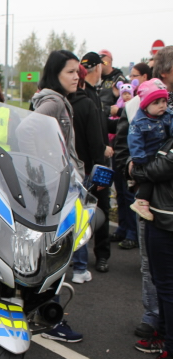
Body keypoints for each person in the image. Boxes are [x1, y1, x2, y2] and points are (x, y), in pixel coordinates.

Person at [32, 50, 84, 343]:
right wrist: (52, 167)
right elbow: (27, 130)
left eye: (77, 71)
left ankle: (46, 314)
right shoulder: (53, 102)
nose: (76, 76)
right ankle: (50, 319)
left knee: (52, 256)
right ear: (56, 74)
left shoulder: (53, 99)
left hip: (56, 189)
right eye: (70, 72)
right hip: (57, 191)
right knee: (58, 257)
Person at [115, 62, 158, 339]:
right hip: (149, 196)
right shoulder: (132, 108)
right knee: (149, 263)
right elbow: (121, 151)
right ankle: (153, 317)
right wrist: (137, 169)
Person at [129, 134, 173, 359]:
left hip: (168, 221)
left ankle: (171, 353)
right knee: (160, 282)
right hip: (160, 216)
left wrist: (136, 170)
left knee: (167, 287)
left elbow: (160, 169)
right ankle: (164, 337)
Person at [68, 65, 107, 284]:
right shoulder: (87, 105)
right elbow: (96, 142)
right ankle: (81, 268)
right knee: (81, 218)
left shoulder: (61, 105)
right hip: (84, 171)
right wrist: (99, 168)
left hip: (61, 170)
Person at [79, 52, 114, 268]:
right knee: (99, 208)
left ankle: (98, 255)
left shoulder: (92, 94)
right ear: (98, 68)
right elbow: (92, 135)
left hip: (90, 162)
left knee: (91, 209)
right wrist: (102, 151)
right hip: (93, 164)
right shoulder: (87, 97)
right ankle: (100, 255)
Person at [128, 79, 172, 221]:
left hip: (161, 154)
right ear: (146, 106)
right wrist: (138, 158)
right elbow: (134, 140)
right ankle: (141, 201)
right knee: (148, 178)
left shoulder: (167, 115)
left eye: (164, 102)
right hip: (147, 156)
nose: (162, 106)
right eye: (156, 102)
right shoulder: (139, 122)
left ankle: (142, 200)